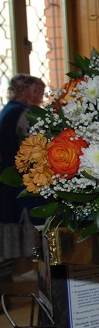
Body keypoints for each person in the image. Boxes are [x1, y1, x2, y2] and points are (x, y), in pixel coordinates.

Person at [0, 73, 46, 282]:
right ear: (30, 91)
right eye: (39, 92)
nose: (41, 98)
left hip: (9, 177)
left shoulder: (7, 110)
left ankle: (23, 267)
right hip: (22, 178)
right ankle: (24, 268)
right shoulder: (24, 113)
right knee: (29, 225)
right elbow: (31, 147)